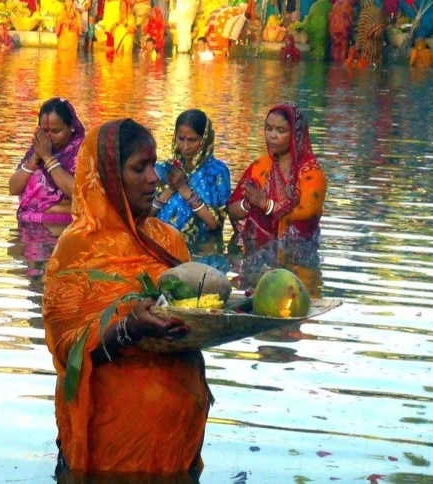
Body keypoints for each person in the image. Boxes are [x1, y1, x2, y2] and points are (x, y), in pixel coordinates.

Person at [43, 119, 212, 478]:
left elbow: (194, 317)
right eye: (140, 168)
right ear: (107, 178)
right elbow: (66, 348)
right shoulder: (76, 250)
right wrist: (127, 329)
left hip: (177, 441)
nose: (154, 178)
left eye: (153, 165)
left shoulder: (169, 240)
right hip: (111, 442)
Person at [228, 104, 327, 245]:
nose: (272, 136)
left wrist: (266, 204)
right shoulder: (259, 167)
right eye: (268, 129)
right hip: (256, 253)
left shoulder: (312, 174)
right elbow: (231, 210)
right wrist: (250, 203)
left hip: (299, 256)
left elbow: (305, 216)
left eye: (281, 130)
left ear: (296, 134)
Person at [153, 110, 231, 243]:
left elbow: (214, 224)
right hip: (160, 243)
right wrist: (170, 189)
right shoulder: (164, 169)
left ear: (205, 139)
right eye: (181, 139)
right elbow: (143, 214)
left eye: (192, 140)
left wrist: (183, 188)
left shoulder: (217, 172)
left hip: (199, 249)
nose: (185, 147)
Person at [9, 98, 85, 225]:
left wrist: (48, 158)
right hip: (27, 228)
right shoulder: (38, 149)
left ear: (71, 126)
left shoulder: (83, 153)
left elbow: (80, 194)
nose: (49, 137)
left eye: (56, 131)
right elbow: (13, 188)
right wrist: (35, 157)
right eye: (45, 131)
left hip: (62, 231)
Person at [351, 0, 386, 67]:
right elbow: (385, 25)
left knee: (366, 70)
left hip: (367, 48)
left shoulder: (364, 13)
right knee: (376, 68)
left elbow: (361, 34)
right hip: (377, 48)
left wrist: (357, 47)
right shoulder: (380, 11)